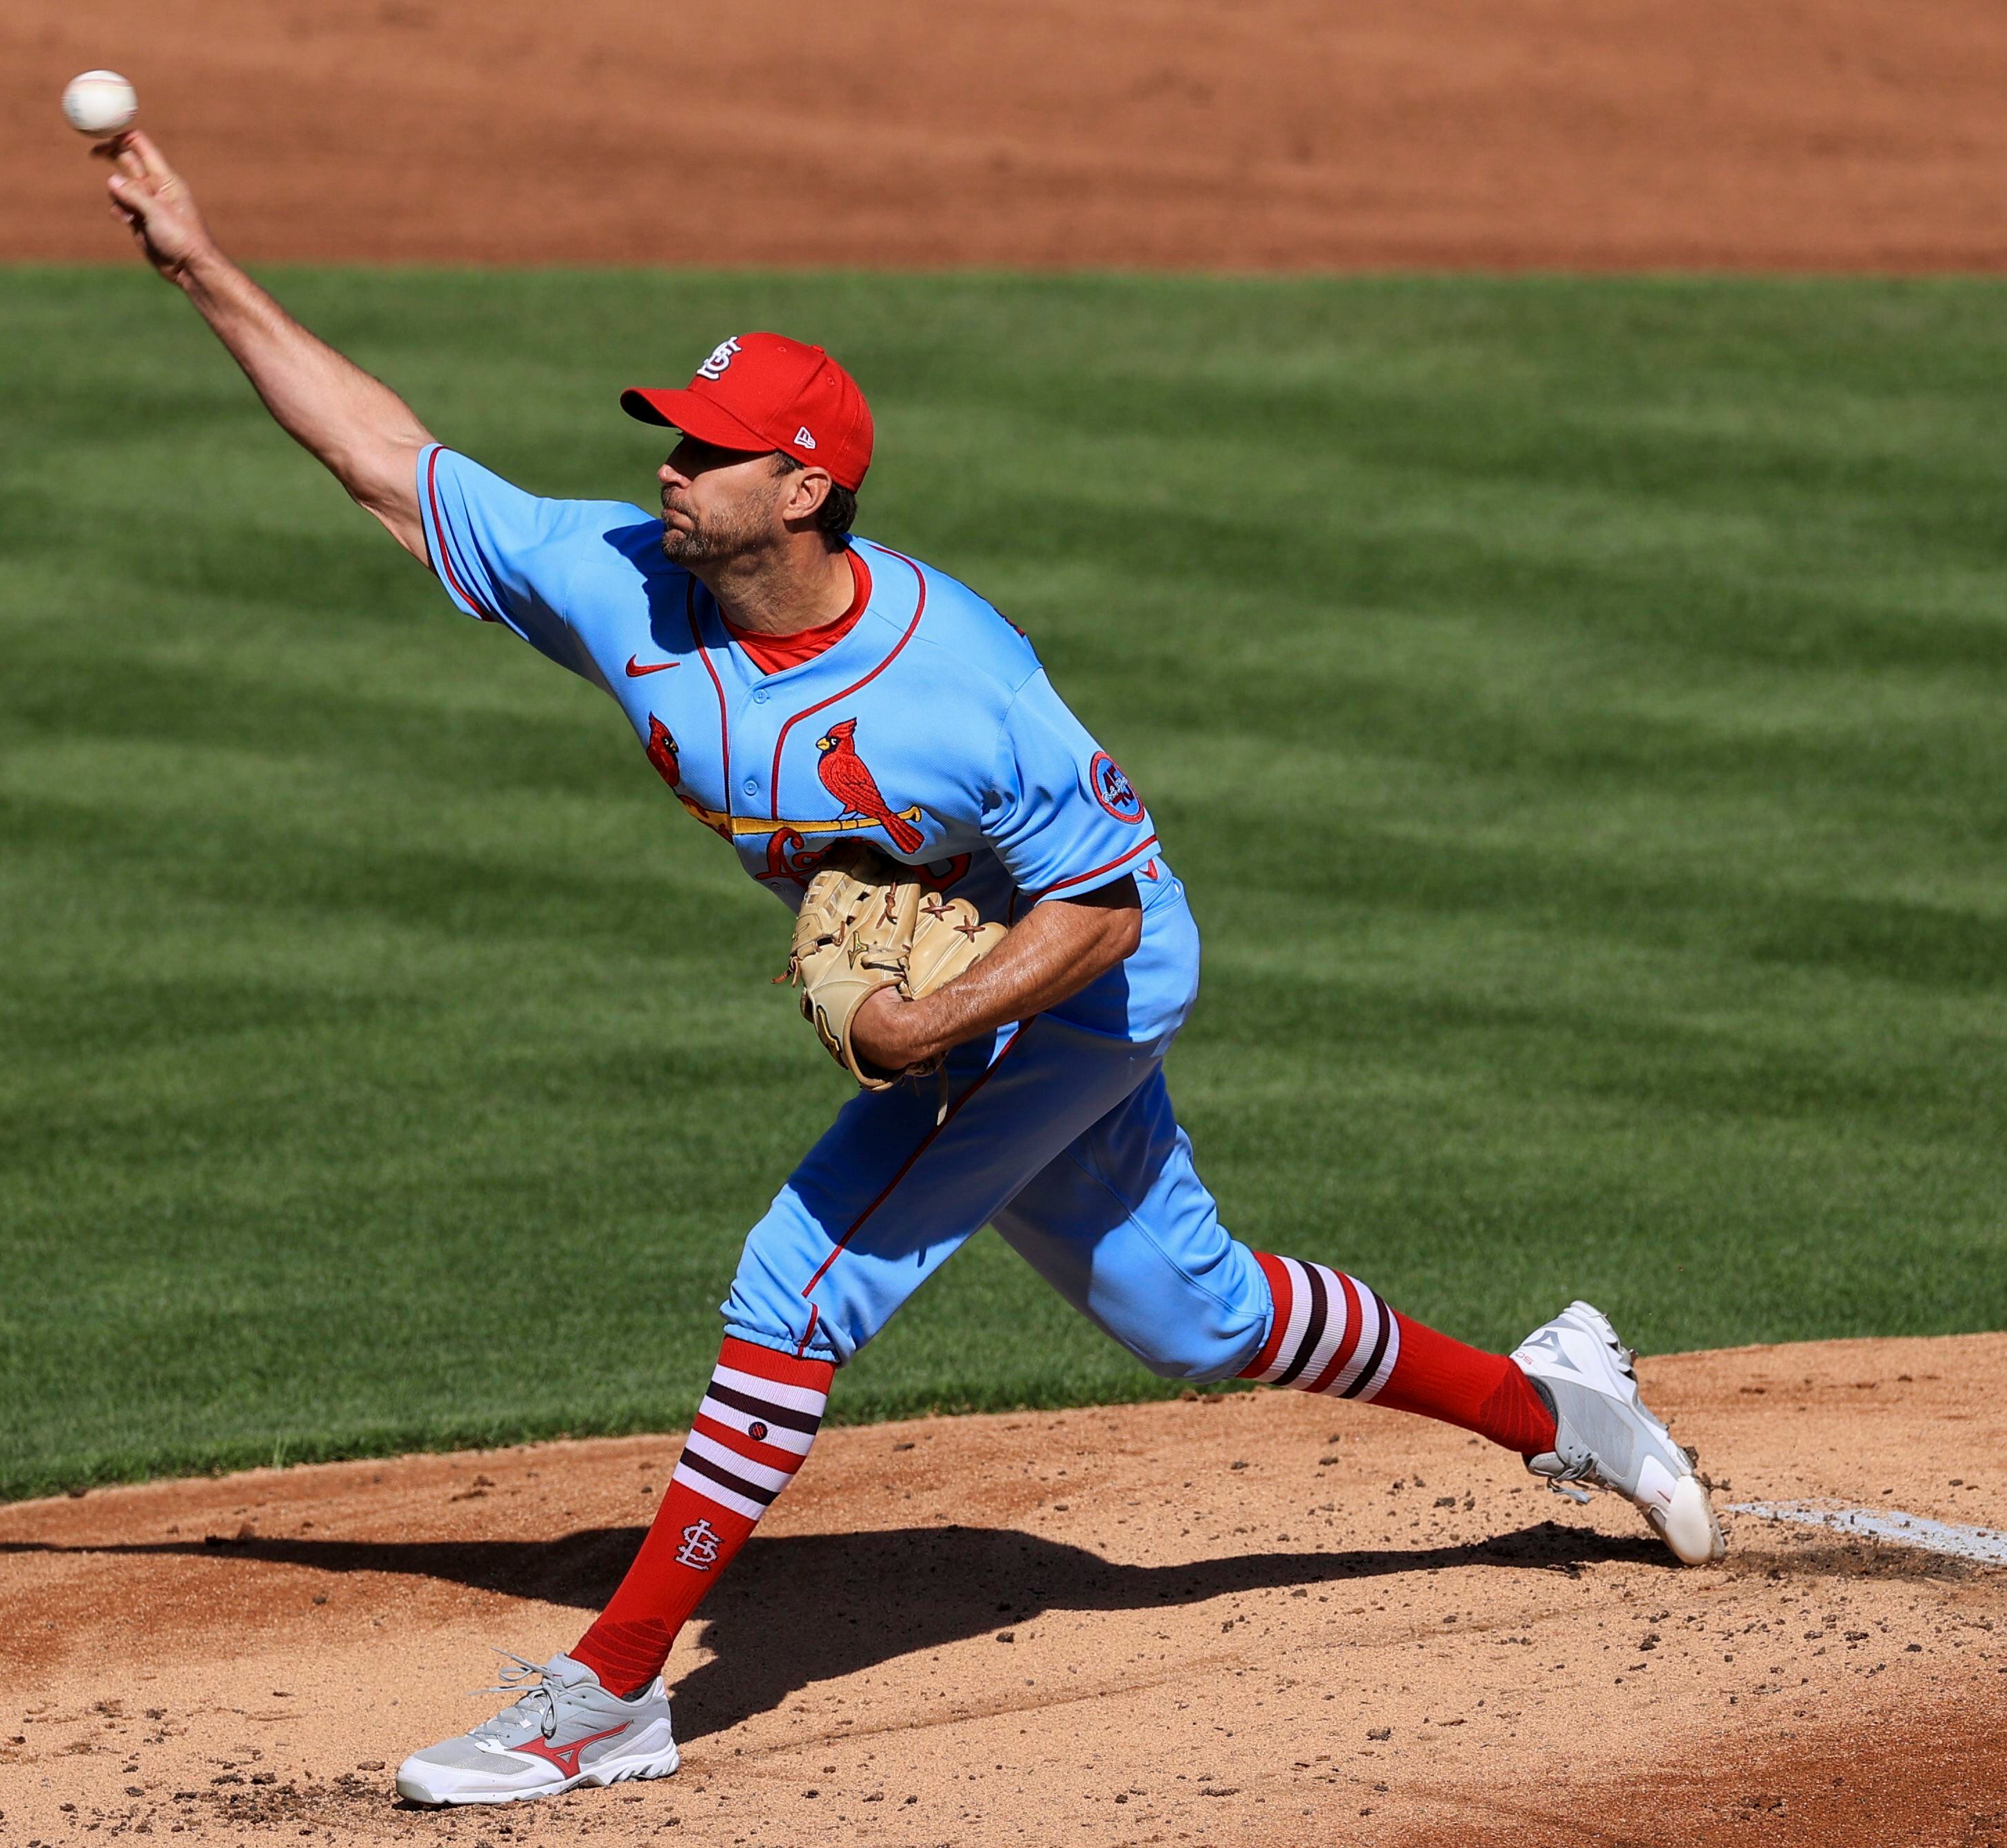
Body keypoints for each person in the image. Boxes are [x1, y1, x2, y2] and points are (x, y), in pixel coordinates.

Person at [89, 130, 1722, 1809]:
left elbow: (1100, 914)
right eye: (671, 435)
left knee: (801, 1280)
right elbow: (386, 458)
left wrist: (914, 1029)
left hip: (1080, 987)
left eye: (712, 452)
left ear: (803, 489)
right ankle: (1559, 1410)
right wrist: (201, 266)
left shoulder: (960, 684)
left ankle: (609, 1695)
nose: (671, 469)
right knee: (1196, 1316)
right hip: (979, 1004)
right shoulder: (624, 587)